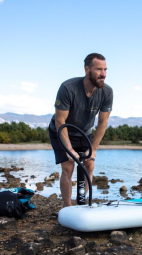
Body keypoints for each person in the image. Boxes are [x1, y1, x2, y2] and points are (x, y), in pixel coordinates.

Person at [49, 53, 113, 207]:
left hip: (84, 134)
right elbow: (60, 121)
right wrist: (69, 149)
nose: (103, 74)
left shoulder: (107, 92)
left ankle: (81, 202)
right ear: (87, 69)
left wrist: (94, 149)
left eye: (105, 70)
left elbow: (102, 123)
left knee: (89, 164)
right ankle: (67, 207)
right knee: (68, 166)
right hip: (61, 131)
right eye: (98, 69)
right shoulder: (68, 88)